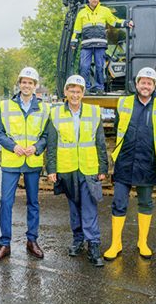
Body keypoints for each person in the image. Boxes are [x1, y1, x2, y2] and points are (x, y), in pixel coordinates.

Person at [103, 67, 156, 260]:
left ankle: (143, 242)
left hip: (148, 162)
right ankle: (116, 243)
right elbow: (118, 128)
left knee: (146, 203)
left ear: (154, 86)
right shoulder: (124, 102)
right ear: (137, 84)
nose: (146, 86)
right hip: (125, 160)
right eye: (143, 82)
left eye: (149, 83)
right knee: (118, 203)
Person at [45, 75, 109, 267]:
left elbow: (100, 142)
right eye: (71, 91)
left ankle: (94, 244)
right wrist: (52, 169)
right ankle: (78, 240)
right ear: (65, 92)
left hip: (88, 168)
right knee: (74, 207)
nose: (75, 94)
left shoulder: (93, 112)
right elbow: (52, 144)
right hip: (67, 168)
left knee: (89, 207)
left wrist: (103, 167)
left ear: (83, 93)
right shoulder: (55, 114)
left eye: (78, 91)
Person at [0, 67, 50, 263]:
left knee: (33, 203)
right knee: (6, 202)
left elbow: (46, 135)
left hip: (32, 161)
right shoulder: (6, 106)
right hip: (11, 161)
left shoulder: (44, 108)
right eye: (23, 82)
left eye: (30, 82)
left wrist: (37, 147)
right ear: (19, 84)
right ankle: (4, 244)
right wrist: (13, 146)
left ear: (35, 86)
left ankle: (32, 241)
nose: (26, 85)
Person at [71, 0, 133, 94]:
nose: (95, 0)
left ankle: (100, 88)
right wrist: (73, 42)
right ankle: (86, 87)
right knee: (84, 66)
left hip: (100, 44)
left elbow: (114, 22)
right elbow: (77, 30)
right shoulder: (82, 13)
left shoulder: (105, 11)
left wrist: (126, 23)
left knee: (100, 66)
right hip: (86, 45)